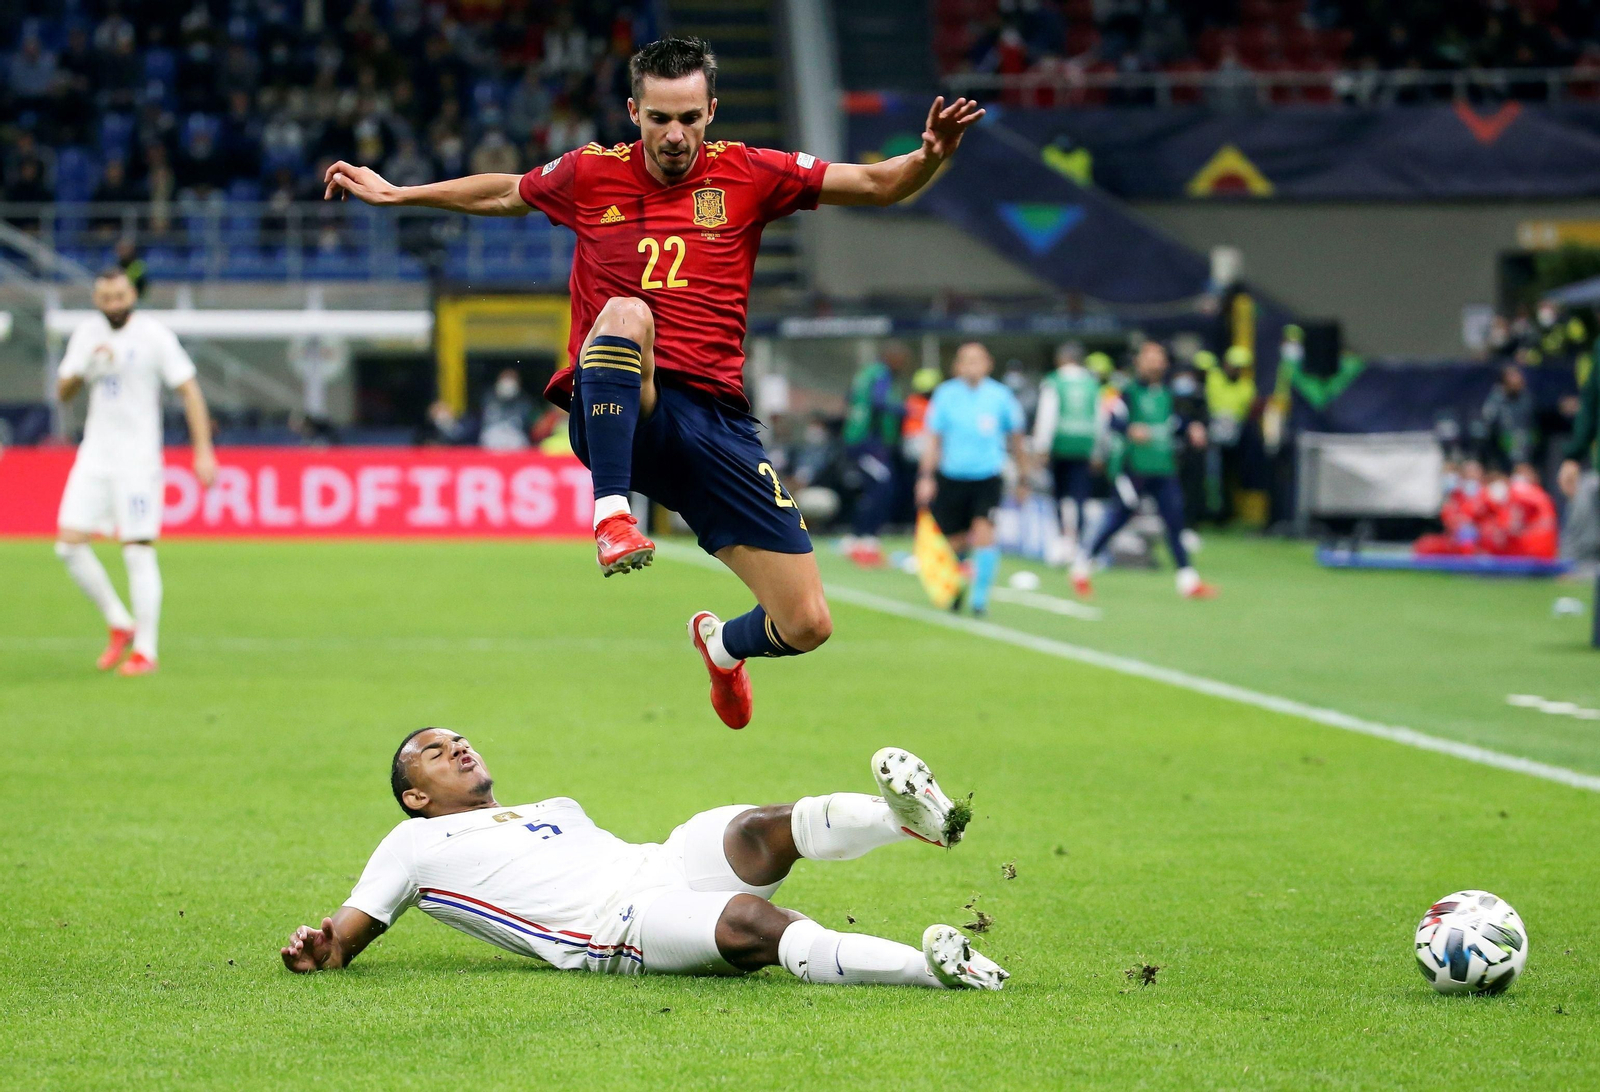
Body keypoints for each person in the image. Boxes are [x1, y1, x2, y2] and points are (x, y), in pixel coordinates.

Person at [323, 36, 986, 729]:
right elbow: (505, 193)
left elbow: (879, 184)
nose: (676, 134)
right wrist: (401, 193)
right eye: (660, 118)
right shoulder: (588, 173)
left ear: (712, 111)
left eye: (691, 118)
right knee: (626, 311)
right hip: (619, 403)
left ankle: (722, 647)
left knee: (807, 622)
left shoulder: (753, 173)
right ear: (634, 111)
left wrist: (930, 157)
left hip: (715, 424)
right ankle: (612, 513)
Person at [279, 729, 1007, 991]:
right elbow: (348, 935)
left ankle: (910, 821)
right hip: (613, 925)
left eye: (461, 740)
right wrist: (325, 947)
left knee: (759, 827)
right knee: (752, 921)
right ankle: (935, 970)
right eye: (437, 753)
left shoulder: (549, 807)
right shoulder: (413, 843)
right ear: (414, 796)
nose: (460, 749)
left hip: (657, 863)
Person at [54, 269, 216, 676]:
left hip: (137, 460)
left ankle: (146, 649)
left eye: (120, 296)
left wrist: (203, 450)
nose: (114, 304)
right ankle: (120, 621)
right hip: (95, 455)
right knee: (68, 544)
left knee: (137, 550)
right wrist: (87, 365)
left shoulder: (154, 335)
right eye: (106, 298)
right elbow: (62, 393)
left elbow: (189, 389)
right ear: (96, 299)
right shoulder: (87, 334)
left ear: (132, 295)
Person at [1071, 340, 1217, 600]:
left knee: (1175, 520)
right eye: (1150, 357)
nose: (1155, 362)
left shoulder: (1168, 393)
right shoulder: (1127, 391)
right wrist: (1129, 429)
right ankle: (1082, 567)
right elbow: (1112, 420)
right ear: (1139, 361)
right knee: (1118, 519)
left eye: (1159, 357)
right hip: (1134, 469)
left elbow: (1175, 423)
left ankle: (1188, 581)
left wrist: (1192, 428)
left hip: (1163, 467)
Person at [916, 342, 1027, 617]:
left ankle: (979, 601)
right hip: (952, 477)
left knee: (984, 535)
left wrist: (1024, 478)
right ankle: (956, 589)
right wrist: (926, 477)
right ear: (957, 366)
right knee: (955, 541)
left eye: (977, 360)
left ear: (988, 364)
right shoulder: (945, 395)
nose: (972, 366)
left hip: (987, 477)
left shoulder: (1000, 396)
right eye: (966, 360)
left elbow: (1016, 439)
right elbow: (933, 439)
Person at [840, 341, 911, 567]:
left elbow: (850, 398)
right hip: (869, 442)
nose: (903, 365)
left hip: (857, 438)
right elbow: (879, 402)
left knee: (871, 487)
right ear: (891, 356)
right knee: (882, 486)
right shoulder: (882, 375)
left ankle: (858, 539)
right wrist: (905, 409)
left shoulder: (865, 374)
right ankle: (865, 540)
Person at [1030, 341, 1100, 562]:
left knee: (1059, 494)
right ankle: (1080, 544)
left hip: (1061, 444)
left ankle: (1063, 541)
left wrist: (1041, 447)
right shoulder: (1092, 383)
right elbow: (1099, 416)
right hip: (1085, 444)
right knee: (1080, 495)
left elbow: (1046, 416)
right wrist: (1098, 448)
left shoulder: (1054, 381)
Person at [479, 368, 536, 452]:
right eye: (505, 378)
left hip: (516, 438)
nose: (508, 382)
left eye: (511, 378)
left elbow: (534, 425)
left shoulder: (525, 401)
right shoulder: (487, 397)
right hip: (491, 437)